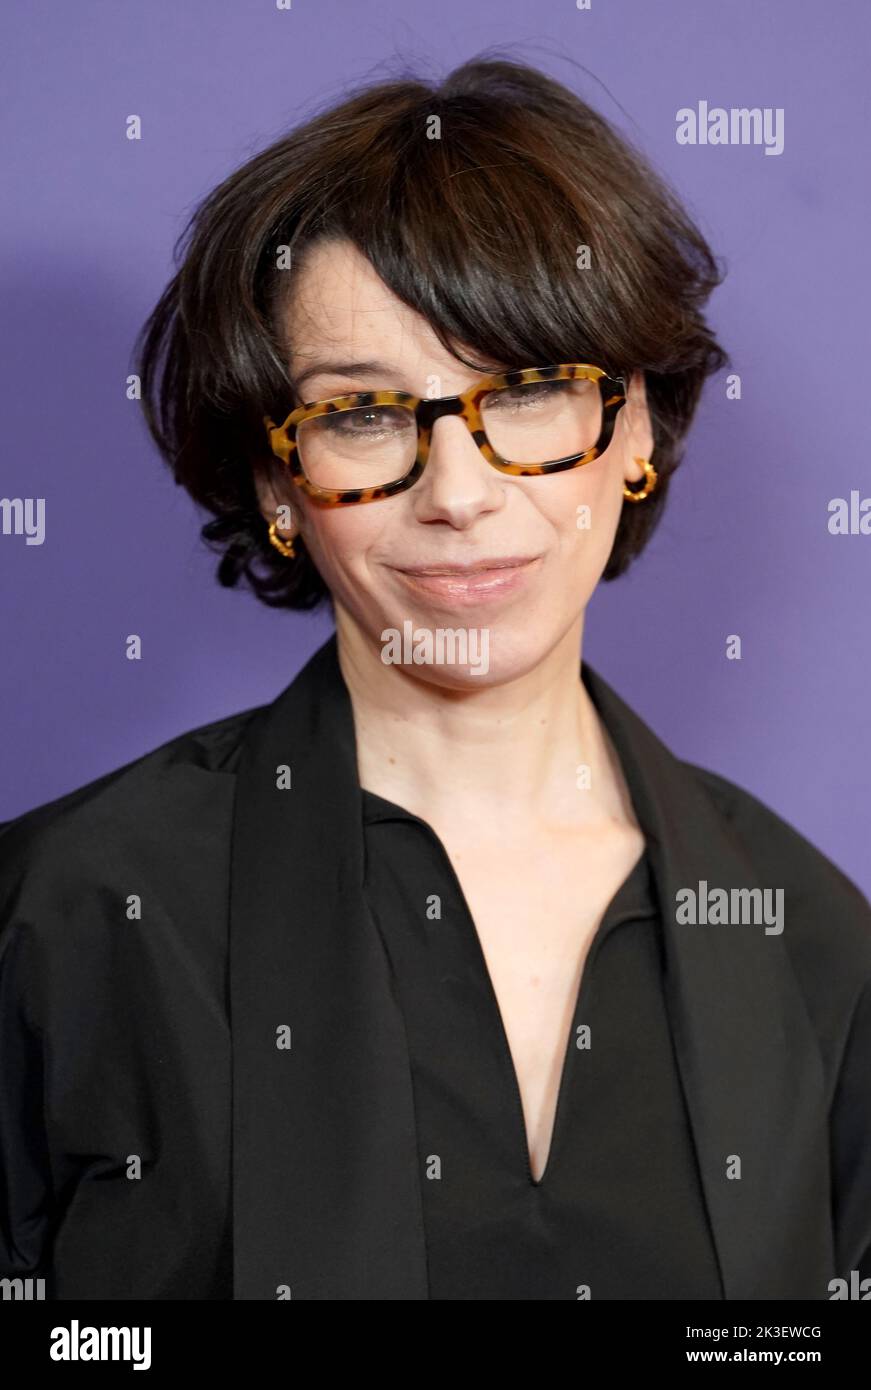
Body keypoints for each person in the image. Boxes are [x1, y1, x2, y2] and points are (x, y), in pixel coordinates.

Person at [1, 56, 869, 1302]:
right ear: (273, 482)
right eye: (361, 414)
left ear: (631, 433)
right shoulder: (69, 916)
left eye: (526, 395)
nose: (458, 496)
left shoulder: (807, 939)